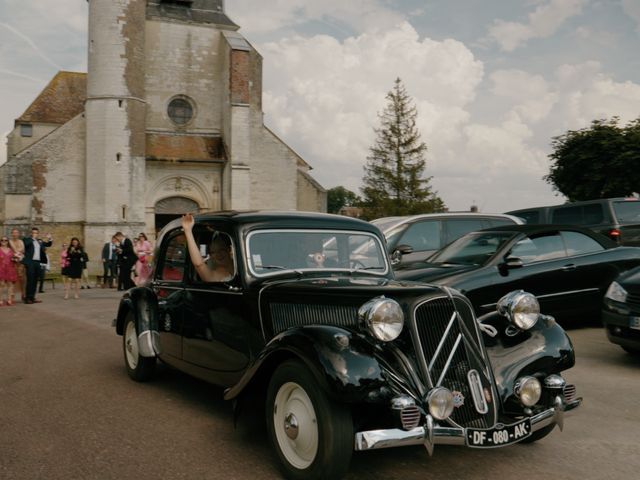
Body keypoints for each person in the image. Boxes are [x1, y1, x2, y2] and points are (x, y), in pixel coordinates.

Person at [181, 213, 234, 282]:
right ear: (211, 256)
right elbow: (199, 264)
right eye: (213, 252)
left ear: (229, 250)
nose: (218, 254)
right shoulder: (217, 274)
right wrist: (188, 231)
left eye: (221, 250)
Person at [22, 227, 53, 304]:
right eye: (33, 232)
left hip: (38, 262)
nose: (35, 234)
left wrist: (50, 238)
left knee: (35, 280)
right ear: (31, 233)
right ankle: (27, 298)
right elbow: (26, 244)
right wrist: (33, 238)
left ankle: (33, 297)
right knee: (30, 280)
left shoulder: (40, 241)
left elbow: (48, 244)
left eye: (36, 233)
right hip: (30, 262)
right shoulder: (27, 239)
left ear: (38, 233)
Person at [0, 236, 19, 306]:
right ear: (0, 241)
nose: (4, 242)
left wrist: (16, 260)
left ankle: (9, 300)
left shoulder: (11, 250)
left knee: (10, 285)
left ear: (8, 242)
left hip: (10, 268)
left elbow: (14, 259)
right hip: (1, 269)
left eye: (5, 240)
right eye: (2, 240)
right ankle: (0, 300)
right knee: (1, 285)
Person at [8, 228, 25, 300]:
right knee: (12, 279)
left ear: (18, 234)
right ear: (11, 234)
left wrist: (18, 254)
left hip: (20, 263)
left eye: (16, 233)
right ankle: (12, 295)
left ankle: (23, 293)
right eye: (14, 233)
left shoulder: (21, 241)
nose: (15, 234)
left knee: (21, 279)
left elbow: (23, 250)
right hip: (12, 262)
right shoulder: (9, 242)